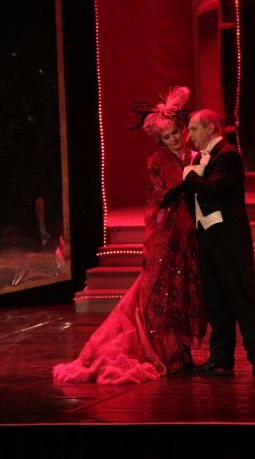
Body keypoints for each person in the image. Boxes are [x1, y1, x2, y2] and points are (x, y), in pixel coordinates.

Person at [53, 86, 207, 384]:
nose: (173, 139)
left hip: (192, 237)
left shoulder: (196, 156)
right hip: (169, 236)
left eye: (175, 133)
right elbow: (157, 201)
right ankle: (173, 351)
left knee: (188, 292)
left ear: (183, 130)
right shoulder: (160, 162)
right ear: (161, 141)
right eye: (166, 137)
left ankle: (184, 351)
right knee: (166, 293)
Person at [163, 108, 255, 376]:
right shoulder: (202, 159)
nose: (188, 135)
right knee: (216, 301)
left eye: (194, 129)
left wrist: (188, 175)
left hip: (229, 240)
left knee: (241, 297)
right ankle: (221, 357)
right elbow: (190, 191)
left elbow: (211, 188)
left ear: (210, 128)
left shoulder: (228, 156)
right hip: (207, 239)